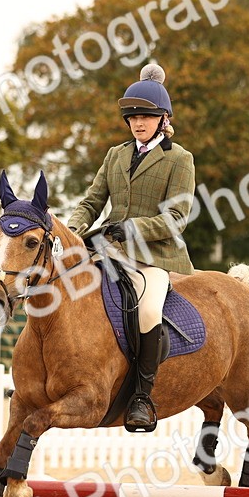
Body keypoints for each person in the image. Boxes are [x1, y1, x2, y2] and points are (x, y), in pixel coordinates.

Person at [67, 63, 196, 430]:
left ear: (163, 118)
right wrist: (72, 232)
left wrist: (130, 228)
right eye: (134, 117)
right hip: (107, 250)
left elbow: (176, 218)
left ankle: (141, 396)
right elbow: (92, 202)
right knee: (63, 289)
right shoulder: (116, 155)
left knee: (148, 311)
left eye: (147, 116)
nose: (139, 123)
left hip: (154, 255)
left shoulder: (178, 159)